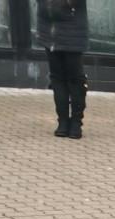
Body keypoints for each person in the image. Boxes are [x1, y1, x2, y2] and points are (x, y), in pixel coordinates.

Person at [36, 0, 88, 139]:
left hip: (70, 31)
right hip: (50, 30)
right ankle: (66, 124)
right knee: (62, 79)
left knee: (69, 79)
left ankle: (71, 124)